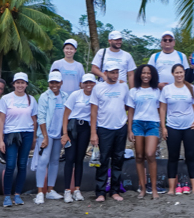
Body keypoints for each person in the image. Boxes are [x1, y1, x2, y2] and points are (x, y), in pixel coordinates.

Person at [0, 73, 38, 208]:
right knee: (10, 165)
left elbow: (34, 120)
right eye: (17, 82)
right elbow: (1, 120)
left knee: (22, 165)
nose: (20, 85)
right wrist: (1, 140)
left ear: (26, 84)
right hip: (11, 134)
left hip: (27, 133)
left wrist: (34, 138)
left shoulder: (31, 99)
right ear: (13, 84)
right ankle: (7, 195)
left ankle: (17, 194)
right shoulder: (6, 98)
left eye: (23, 83)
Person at [89, 64, 129, 202]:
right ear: (105, 73)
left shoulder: (124, 86)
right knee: (103, 160)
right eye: (112, 72)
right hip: (104, 128)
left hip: (120, 127)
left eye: (117, 72)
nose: (115, 75)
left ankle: (115, 191)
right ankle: (100, 192)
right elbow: (93, 111)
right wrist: (93, 133)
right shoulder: (98, 88)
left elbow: (127, 105)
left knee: (118, 160)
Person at [160, 63, 194, 195]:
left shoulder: (190, 87)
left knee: (190, 155)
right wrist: (163, 126)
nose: (179, 75)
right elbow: (163, 108)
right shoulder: (167, 89)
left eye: (181, 72)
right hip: (172, 126)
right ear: (172, 74)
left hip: (189, 126)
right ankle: (171, 188)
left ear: (184, 73)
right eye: (176, 72)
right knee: (173, 156)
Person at [127, 64, 161, 200]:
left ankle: (154, 189)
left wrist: (162, 126)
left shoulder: (157, 91)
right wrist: (129, 129)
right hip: (137, 124)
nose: (146, 75)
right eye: (143, 73)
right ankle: (142, 188)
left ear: (152, 75)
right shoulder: (133, 91)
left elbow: (161, 109)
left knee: (150, 154)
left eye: (148, 73)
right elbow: (130, 111)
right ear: (139, 75)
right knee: (139, 156)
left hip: (153, 124)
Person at [33, 71, 67, 204]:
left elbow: (66, 116)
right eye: (52, 82)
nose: (54, 85)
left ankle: (50, 190)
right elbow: (40, 117)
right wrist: (45, 136)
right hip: (46, 134)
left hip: (58, 134)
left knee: (54, 161)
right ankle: (40, 192)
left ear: (61, 83)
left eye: (57, 82)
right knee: (43, 161)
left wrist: (64, 133)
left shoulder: (65, 96)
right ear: (49, 83)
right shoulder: (44, 97)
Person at [62, 73, 96, 202]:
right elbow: (66, 115)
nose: (88, 85)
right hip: (72, 127)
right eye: (86, 82)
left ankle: (77, 189)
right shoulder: (75, 95)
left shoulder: (95, 96)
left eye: (91, 83)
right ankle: (67, 190)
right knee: (69, 158)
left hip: (85, 128)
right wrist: (64, 134)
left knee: (79, 159)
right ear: (81, 84)